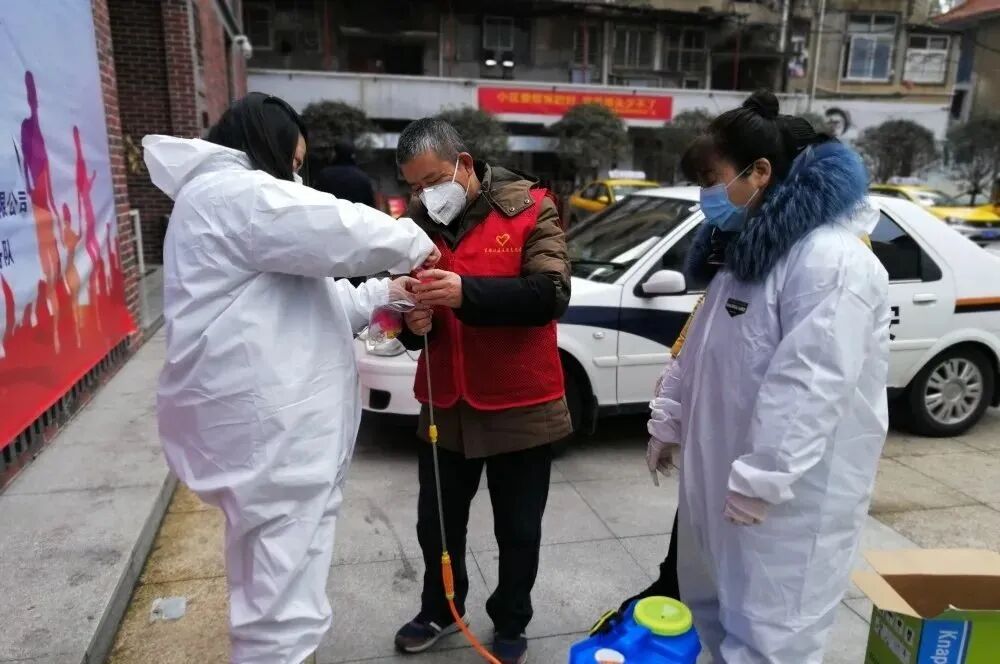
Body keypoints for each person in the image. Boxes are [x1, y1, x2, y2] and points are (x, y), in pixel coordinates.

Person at [143, 93, 438, 664]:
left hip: (274, 430)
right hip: (270, 431)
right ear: (267, 147)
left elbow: (318, 302)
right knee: (280, 604)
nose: (297, 175)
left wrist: (386, 292)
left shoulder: (225, 203)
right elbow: (342, 229)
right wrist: (418, 245)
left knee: (276, 577)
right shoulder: (233, 194)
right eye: (294, 162)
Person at [647, 90, 890, 664]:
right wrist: (669, 419)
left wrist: (763, 478)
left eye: (711, 179)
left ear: (759, 172)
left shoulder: (832, 262)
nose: (705, 196)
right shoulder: (746, 258)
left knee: (772, 638)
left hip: (789, 504)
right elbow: (700, 351)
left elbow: (810, 384)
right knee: (712, 615)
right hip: (723, 483)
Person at [391, 118, 571, 664]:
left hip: (521, 402)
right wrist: (411, 322)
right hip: (445, 403)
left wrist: (466, 292)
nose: (425, 195)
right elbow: (402, 307)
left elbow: (550, 293)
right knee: (436, 525)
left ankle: (512, 619)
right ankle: (441, 609)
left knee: (518, 528)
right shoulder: (413, 228)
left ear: (464, 165)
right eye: (414, 186)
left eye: (433, 181)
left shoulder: (531, 208)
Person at [313, 139, 376, 207]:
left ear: (336, 154)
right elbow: (369, 205)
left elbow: (316, 201)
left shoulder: (325, 175)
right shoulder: (363, 177)